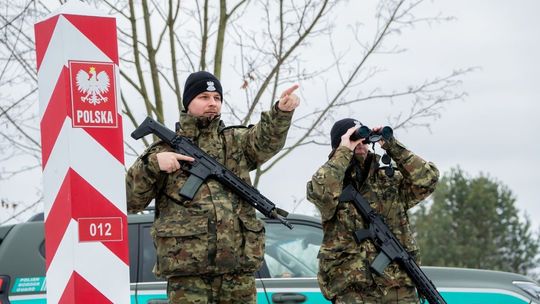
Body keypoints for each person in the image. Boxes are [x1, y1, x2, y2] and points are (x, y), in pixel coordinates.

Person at [126, 71, 300, 303]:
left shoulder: (235, 141)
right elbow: (130, 201)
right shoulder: (162, 151)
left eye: (217, 98)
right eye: (204, 97)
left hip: (238, 274)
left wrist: (281, 113)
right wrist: (152, 165)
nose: (212, 103)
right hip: (189, 278)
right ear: (188, 102)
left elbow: (264, 141)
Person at [306, 118, 439, 304]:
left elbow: (428, 179)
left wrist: (392, 146)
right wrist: (344, 150)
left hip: (399, 289)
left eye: (364, 139)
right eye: (354, 138)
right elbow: (320, 192)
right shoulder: (332, 183)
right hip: (354, 292)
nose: (360, 144)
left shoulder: (388, 181)